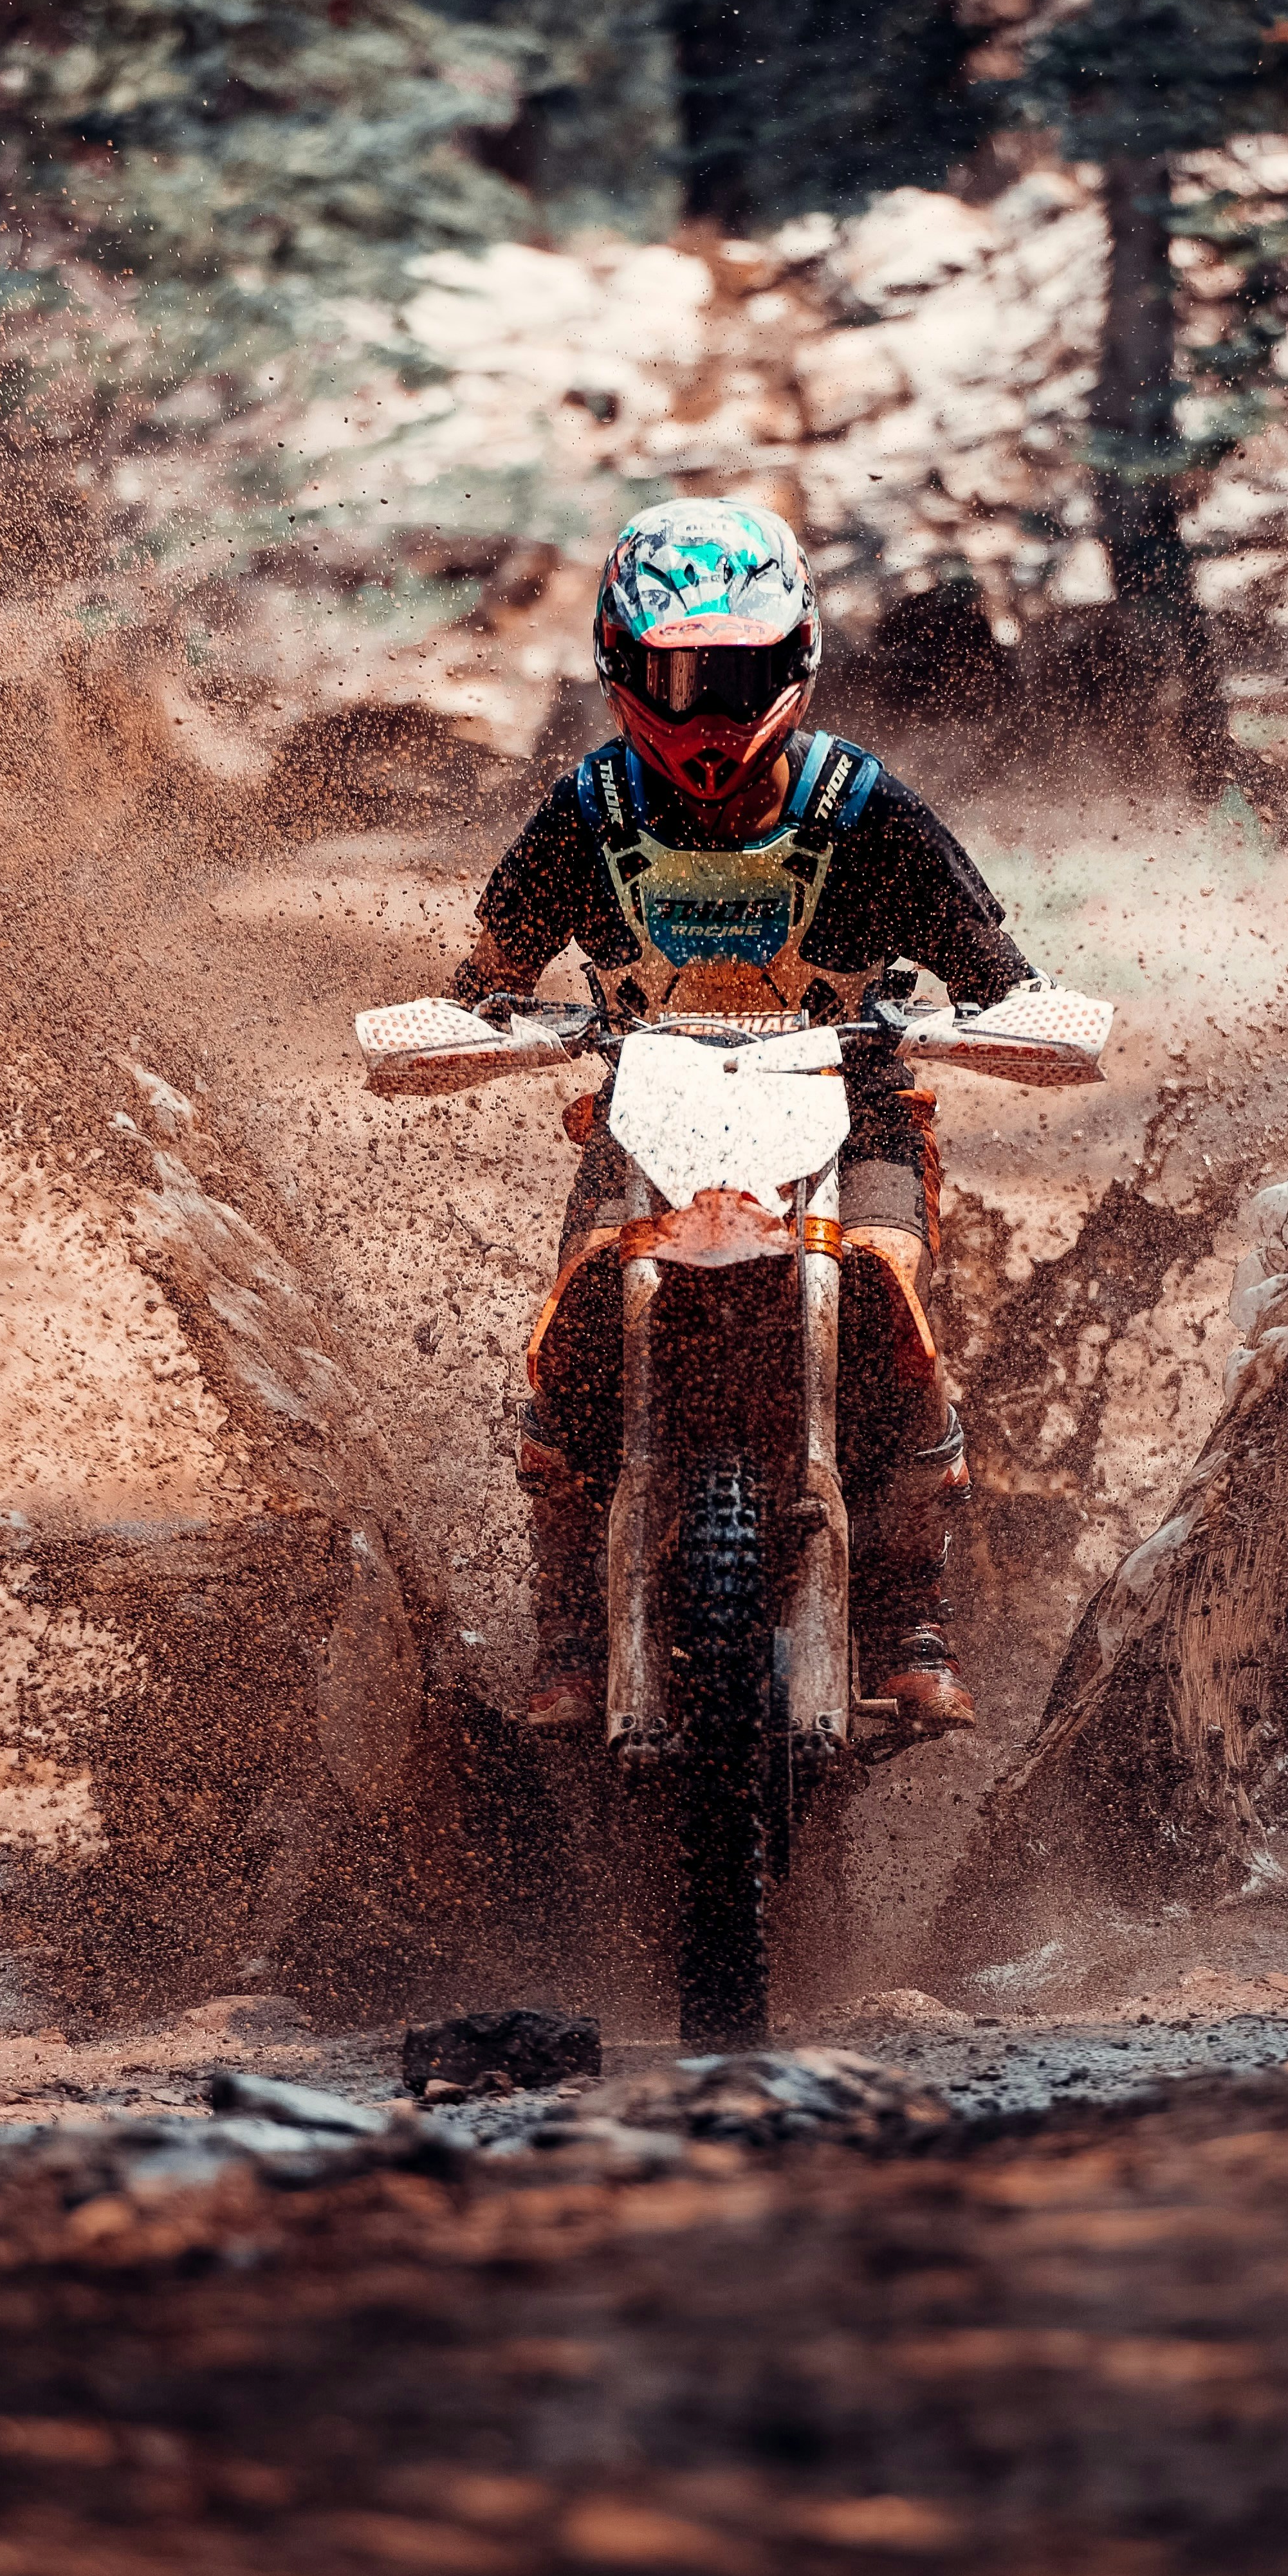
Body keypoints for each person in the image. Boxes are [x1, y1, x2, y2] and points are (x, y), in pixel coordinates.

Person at [448, 494, 1073, 1738]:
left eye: (731, 677)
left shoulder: (864, 809)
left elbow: (1004, 976)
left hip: (856, 1116)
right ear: (620, 670)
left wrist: (1012, 1021)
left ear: (794, 664)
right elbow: (484, 982)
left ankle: (910, 1625)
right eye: (670, 679)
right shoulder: (587, 813)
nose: (700, 715)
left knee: (887, 1300)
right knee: (573, 1329)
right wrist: (460, 1028)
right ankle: (573, 1631)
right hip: (647, 1117)